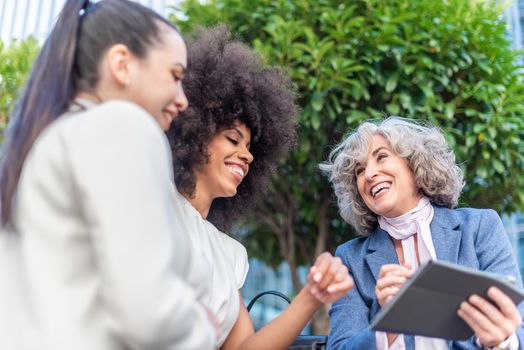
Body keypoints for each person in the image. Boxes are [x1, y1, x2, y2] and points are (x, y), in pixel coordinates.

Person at [0, 1, 216, 349]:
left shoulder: (44, 141)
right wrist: (200, 328)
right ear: (121, 64)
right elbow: (148, 312)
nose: (182, 100)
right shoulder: (122, 125)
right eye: (175, 76)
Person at [166, 25, 354, 350]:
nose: (247, 154)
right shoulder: (152, 208)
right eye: (232, 139)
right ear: (192, 135)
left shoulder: (229, 253)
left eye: (251, 146)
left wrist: (310, 298)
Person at [320, 117, 524, 350]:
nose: (369, 174)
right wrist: (387, 326)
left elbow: (518, 326)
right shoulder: (350, 258)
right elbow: (339, 347)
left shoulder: (479, 226)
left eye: (382, 156)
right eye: (359, 170)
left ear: (414, 162)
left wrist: (502, 341)